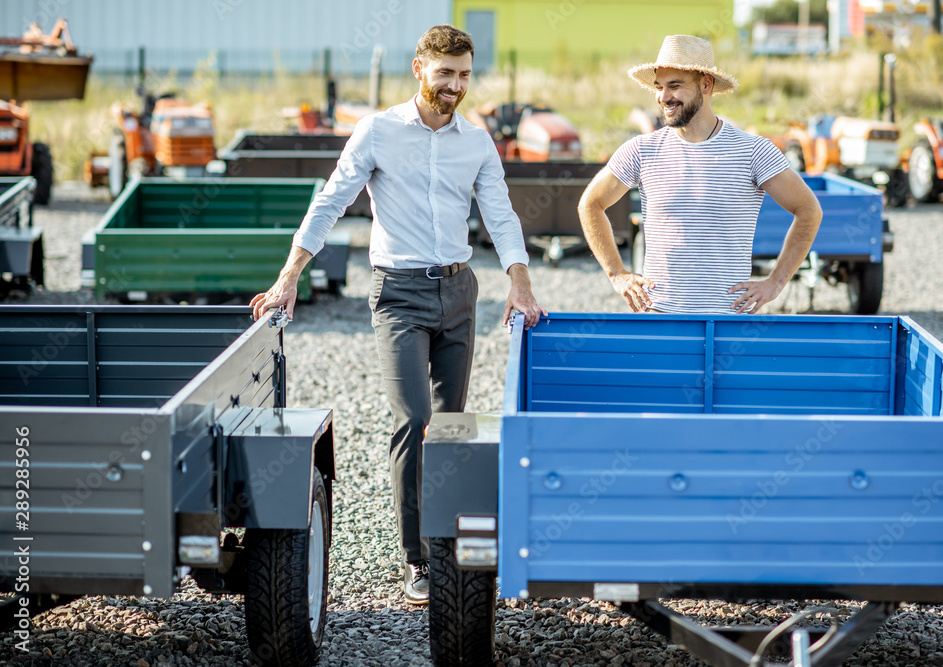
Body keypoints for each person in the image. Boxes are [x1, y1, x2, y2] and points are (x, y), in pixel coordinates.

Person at [250, 24, 544, 605]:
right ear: (419, 69)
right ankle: (417, 560)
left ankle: (446, 547)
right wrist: (289, 276)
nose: (455, 86)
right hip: (399, 296)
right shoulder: (378, 131)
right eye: (445, 74)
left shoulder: (477, 141)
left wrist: (522, 285)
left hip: (460, 295)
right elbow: (330, 201)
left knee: (450, 424)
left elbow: (502, 218)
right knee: (413, 420)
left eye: (463, 75)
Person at [579, 34, 822, 315]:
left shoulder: (753, 151)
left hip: (729, 323)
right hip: (660, 319)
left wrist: (775, 283)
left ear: (706, 84)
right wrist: (616, 274)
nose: (663, 97)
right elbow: (590, 204)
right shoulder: (641, 150)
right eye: (659, 87)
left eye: (675, 86)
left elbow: (808, 210)